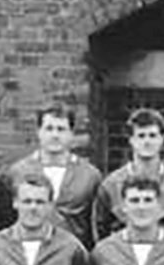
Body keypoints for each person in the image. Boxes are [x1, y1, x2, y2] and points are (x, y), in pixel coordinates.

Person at [94, 106, 164, 244]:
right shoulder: (111, 185)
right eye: (141, 136)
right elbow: (101, 230)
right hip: (124, 258)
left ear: (162, 139)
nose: (147, 142)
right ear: (131, 139)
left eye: (152, 135)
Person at [10, 104, 104, 247]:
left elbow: (96, 224)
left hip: (74, 257)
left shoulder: (90, 175)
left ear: (71, 133)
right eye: (49, 129)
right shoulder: (18, 172)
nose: (55, 135)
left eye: (61, 129)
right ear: (39, 132)